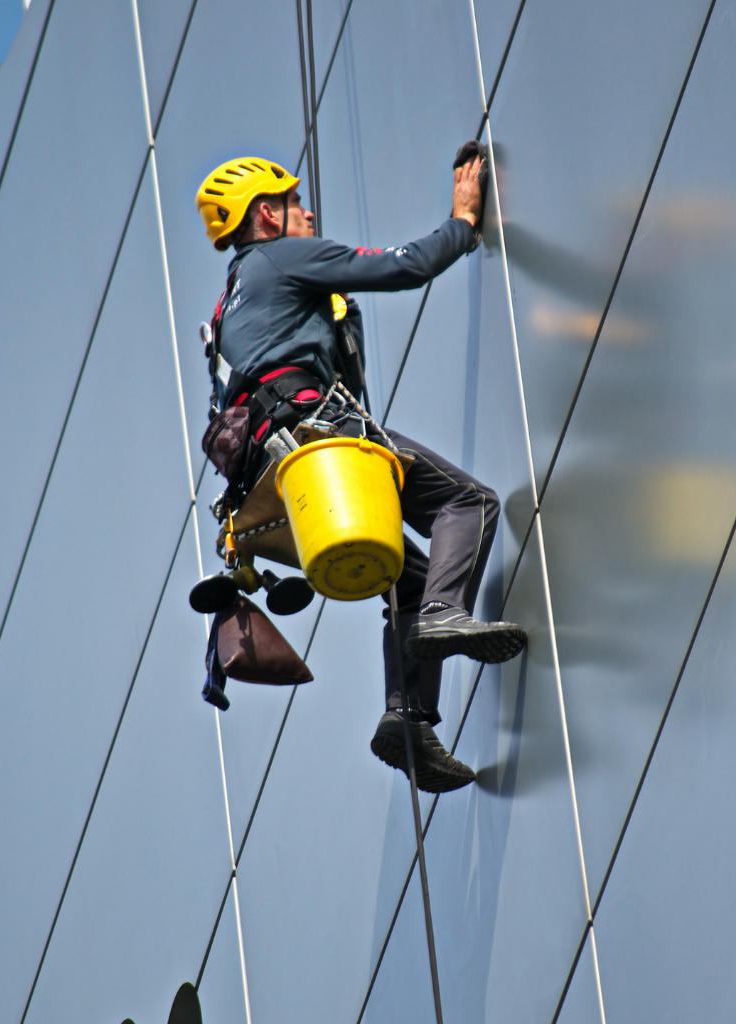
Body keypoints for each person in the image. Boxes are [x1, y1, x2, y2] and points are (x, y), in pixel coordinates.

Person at [194, 151, 526, 793]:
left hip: (274, 480)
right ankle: (444, 615)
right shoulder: (278, 258)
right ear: (266, 214)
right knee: (470, 504)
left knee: (413, 575)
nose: (308, 211)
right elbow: (402, 266)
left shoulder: (229, 305)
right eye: (294, 202)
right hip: (319, 438)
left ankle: (407, 721)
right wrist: (462, 221)